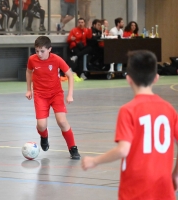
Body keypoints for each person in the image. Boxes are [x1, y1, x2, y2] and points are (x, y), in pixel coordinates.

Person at [82, 50, 178, 199]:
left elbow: (123, 150)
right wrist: (175, 175)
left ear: (128, 79)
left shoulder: (128, 110)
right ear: (156, 78)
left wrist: (94, 161)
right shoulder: (169, 109)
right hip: (163, 187)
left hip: (135, 189)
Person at [25, 36, 81, 160]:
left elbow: (70, 75)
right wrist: (29, 89)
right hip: (40, 95)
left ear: (50, 49)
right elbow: (29, 72)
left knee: (62, 121)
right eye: (37, 51)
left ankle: (73, 148)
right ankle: (44, 137)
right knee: (41, 125)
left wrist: (70, 94)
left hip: (56, 94)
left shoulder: (57, 59)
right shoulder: (32, 60)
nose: (39, 54)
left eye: (42, 51)